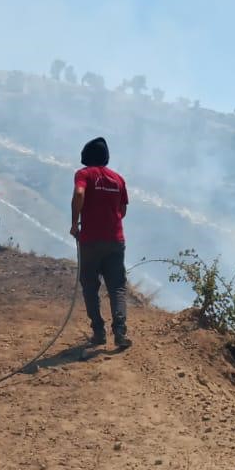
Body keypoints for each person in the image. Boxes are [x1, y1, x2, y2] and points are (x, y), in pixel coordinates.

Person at [71, 136, 130, 349]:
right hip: (115, 240)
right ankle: (121, 332)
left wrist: (74, 223)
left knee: (90, 286)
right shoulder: (118, 179)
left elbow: (79, 193)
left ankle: (98, 332)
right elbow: (122, 210)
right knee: (117, 287)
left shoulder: (84, 174)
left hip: (90, 241)